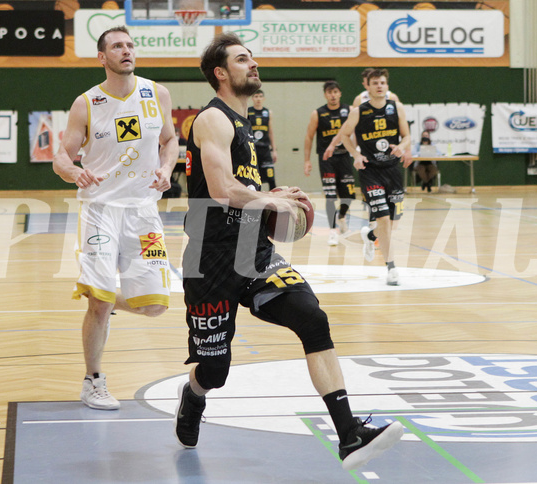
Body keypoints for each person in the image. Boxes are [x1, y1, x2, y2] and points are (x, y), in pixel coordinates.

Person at [176, 32, 403, 471]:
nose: (254, 64)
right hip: (211, 256)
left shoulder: (247, 125)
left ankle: (349, 434)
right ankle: (195, 393)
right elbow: (222, 189)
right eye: (243, 59)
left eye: (253, 58)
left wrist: (271, 192)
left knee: (312, 317)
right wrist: (273, 202)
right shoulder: (212, 120)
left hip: (253, 250)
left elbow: (241, 186)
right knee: (215, 369)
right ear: (221, 73)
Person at [53, 26, 179, 410]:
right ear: (102, 57)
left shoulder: (157, 93)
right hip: (100, 212)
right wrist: (75, 173)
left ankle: (103, 294)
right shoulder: (86, 103)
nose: (126, 51)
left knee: (155, 305)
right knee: (98, 304)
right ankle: (93, 380)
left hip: (143, 212)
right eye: (117, 46)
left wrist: (167, 168)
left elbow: (170, 140)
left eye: (129, 45)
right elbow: (61, 156)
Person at [336, 68, 411, 285]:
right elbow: (344, 135)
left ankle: (370, 236)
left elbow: (406, 136)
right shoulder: (358, 111)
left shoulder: (397, 108)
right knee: (384, 219)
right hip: (370, 171)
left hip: (393, 170)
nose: (379, 86)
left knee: (393, 221)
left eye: (383, 83)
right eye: (375, 83)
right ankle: (391, 268)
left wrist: (402, 147)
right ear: (367, 87)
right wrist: (356, 155)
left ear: (387, 86)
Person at [304, 80, 356, 246]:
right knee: (330, 196)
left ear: (340, 93)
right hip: (327, 159)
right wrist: (307, 160)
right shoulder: (318, 113)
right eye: (329, 92)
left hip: (345, 157)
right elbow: (309, 136)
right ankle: (332, 230)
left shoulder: (349, 111)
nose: (333, 95)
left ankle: (341, 218)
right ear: (325, 95)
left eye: (335, 92)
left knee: (348, 195)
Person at [247, 89, 278, 190]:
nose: (258, 99)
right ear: (252, 98)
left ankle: (274, 200)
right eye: (256, 96)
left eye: (260, 96)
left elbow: (271, 132)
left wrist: (274, 150)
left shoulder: (268, 112)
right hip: (253, 149)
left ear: (263, 98)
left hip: (265, 149)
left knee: (271, 177)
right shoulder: (248, 111)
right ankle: (257, 199)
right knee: (255, 177)